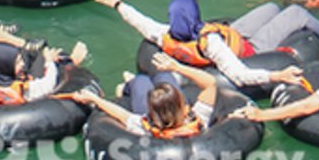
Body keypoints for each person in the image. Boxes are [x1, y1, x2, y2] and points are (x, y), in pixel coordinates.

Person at [92, 0, 319, 91]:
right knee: (296, 13)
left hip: (233, 34)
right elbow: (240, 75)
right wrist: (276, 75)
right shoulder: (210, 44)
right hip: (249, 49)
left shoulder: (164, 35)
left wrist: (117, 4)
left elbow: (140, 22)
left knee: (272, 7)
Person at [64, 56, 220, 138]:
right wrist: (176, 67)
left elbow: (122, 115)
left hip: (151, 111)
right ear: (184, 107)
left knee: (140, 81)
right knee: (163, 75)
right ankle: (133, 81)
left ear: (151, 113)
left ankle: (127, 86)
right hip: (167, 113)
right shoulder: (199, 118)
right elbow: (211, 83)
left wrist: (95, 99)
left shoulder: (145, 128)